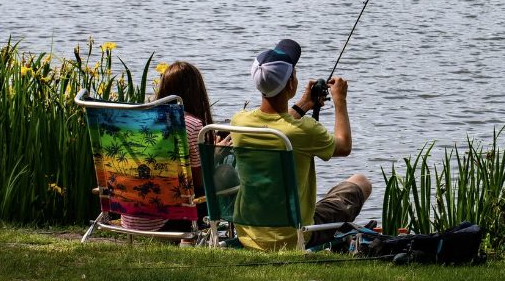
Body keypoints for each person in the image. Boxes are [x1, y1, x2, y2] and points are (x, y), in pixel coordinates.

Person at [231, 39, 372, 251]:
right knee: (361, 181)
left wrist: (304, 104)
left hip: (249, 234)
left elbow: (279, 126)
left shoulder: (239, 122)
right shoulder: (306, 130)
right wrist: (340, 100)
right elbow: (344, 146)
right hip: (294, 236)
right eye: (295, 73)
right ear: (290, 84)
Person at [121, 61, 227, 237]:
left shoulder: (141, 121)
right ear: (197, 92)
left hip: (131, 217)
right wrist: (215, 156)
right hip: (167, 221)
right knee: (221, 174)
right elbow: (200, 182)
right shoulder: (192, 125)